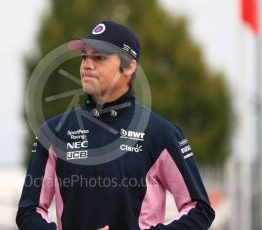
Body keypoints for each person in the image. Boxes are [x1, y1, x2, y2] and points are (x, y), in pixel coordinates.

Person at [16, 20, 215, 230]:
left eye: (99, 57)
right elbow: (29, 212)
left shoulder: (161, 133)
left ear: (129, 66)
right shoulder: (53, 132)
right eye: (84, 56)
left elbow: (199, 209)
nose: (87, 64)